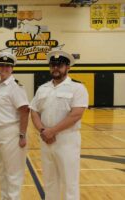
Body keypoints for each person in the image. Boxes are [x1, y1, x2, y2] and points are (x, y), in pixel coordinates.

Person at [30, 50, 89, 200]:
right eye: (53, 65)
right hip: (46, 140)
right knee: (50, 181)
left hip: (67, 141)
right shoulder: (43, 88)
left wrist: (52, 131)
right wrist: (43, 130)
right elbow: (34, 112)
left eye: (60, 65)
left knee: (70, 182)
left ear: (68, 67)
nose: (55, 68)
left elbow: (76, 114)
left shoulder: (78, 88)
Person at [0, 52, 29, 200]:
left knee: (13, 173)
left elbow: (25, 111)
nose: (4, 68)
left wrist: (22, 135)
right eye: (1, 65)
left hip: (10, 134)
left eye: (7, 66)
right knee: (2, 171)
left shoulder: (15, 87)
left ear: (12, 68)